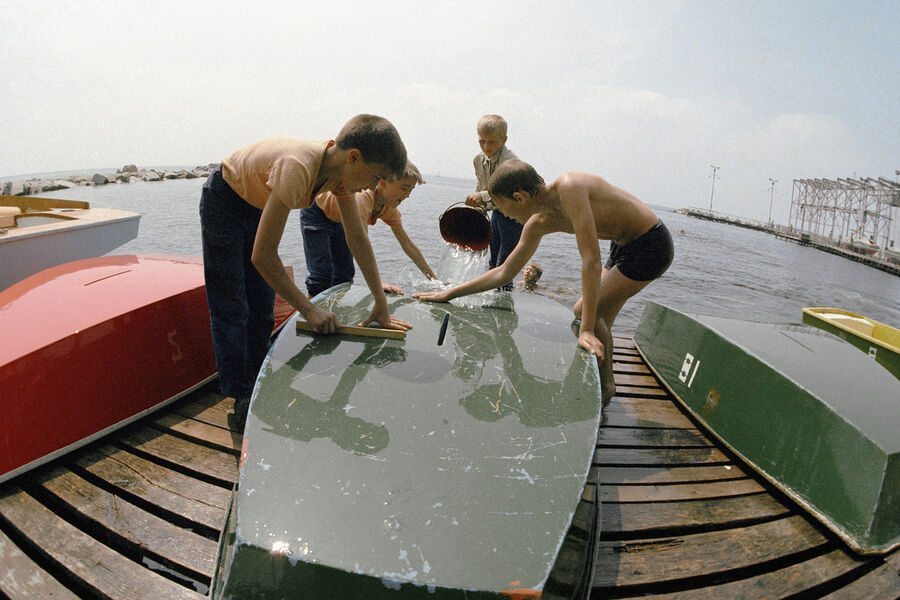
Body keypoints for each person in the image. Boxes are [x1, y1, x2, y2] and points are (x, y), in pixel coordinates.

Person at [200, 114, 412, 429]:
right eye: (375, 176)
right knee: (232, 304)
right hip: (225, 201)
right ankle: (241, 396)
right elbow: (264, 256)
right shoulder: (298, 168)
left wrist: (379, 303)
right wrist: (309, 309)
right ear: (353, 157)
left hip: (256, 203)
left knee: (261, 305)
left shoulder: (340, 175)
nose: (373, 186)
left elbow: (357, 239)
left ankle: (256, 378)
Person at [415, 160, 674, 401]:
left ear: (520, 197)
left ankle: (605, 388)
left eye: (503, 208)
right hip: (622, 246)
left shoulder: (570, 187)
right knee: (599, 318)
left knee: (584, 313)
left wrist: (584, 329)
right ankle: (602, 386)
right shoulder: (538, 222)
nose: (505, 215)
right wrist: (450, 293)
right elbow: (504, 272)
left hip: (651, 244)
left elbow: (591, 260)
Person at [300, 160, 437, 296]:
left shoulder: (389, 208)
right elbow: (361, 245)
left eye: (410, 190)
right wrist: (377, 284)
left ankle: (335, 310)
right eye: (404, 188)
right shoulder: (362, 199)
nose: (407, 195)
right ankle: (309, 315)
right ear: (382, 182)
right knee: (321, 276)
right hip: (317, 212)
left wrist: (435, 281)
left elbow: (408, 245)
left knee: (344, 276)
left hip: (342, 220)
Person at [464, 115, 522, 284]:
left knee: (505, 263)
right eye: (482, 141)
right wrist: (477, 211)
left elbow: (504, 191)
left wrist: (480, 196)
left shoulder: (510, 161)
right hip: (497, 212)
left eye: (492, 142)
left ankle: (503, 299)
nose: (486, 146)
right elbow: (480, 185)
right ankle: (492, 296)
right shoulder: (478, 160)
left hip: (514, 216)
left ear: (504, 140)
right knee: (492, 260)